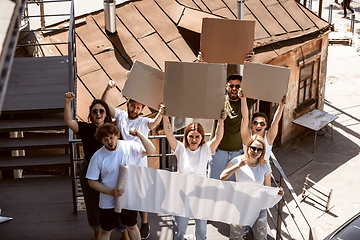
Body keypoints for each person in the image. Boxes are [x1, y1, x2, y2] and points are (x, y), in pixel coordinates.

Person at [101, 80, 164, 239]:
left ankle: (144, 222)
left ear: (142, 108)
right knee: (123, 193)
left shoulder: (143, 121)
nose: (135, 109)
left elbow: (154, 123)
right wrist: (108, 88)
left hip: (140, 164)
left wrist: (161, 113)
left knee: (141, 196)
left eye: (138, 107)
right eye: (133, 105)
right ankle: (126, 224)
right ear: (127, 104)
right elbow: (104, 105)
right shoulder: (121, 116)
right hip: (122, 163)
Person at [64, 92, 129, 240]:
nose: (98, 113)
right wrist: (67, 102)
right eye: (95, 111)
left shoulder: (113, 128)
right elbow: (69, 121)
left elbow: (124, 146)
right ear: (91, 115)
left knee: (118, 200)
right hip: (90, 170)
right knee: (93, 204)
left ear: (106, 113)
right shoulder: (85, 129)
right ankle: (97, 231)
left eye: (101, 110)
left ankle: (123, 231)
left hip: (112, 170)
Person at [162, 106, 226, 240]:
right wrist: (164, 115)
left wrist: (221, 121)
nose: (194, 139)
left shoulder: (206, 149)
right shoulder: (180, 149)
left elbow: (218, 137)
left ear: (202, 137)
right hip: (181, 197)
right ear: (186, 136)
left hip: (201, 197)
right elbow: (169, 134)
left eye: (197, 136)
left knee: (202, 232)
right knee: (179, 231)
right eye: (191, 136)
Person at [86, 123, 156, 240]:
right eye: (106, 139)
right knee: (105, 230)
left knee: (132, 226)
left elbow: (151, 151)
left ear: (117, 135)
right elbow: (91, 181)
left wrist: (139, 134)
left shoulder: (130, 146)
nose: (110, 142)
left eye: (111, 137)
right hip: (108, 200)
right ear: (101, 141)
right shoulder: (97, 156)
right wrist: (110, 192)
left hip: (129, 197)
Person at [220, 135, 284, 240]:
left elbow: (267, 188)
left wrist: (277, 193)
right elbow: (222, 177)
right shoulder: (238, 160)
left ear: (263, 151)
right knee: (236, 237)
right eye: (253, 148)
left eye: (259, 149)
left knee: (261, 237)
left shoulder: (265, 166)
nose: (255, 151)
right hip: (239, 205)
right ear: (248, 147)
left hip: (258, 206)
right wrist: (238, 166)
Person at [208, 74, 255, 181]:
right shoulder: (218, 100)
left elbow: (257, 83)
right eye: (231, 86)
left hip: (238, 154)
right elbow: (206, 85)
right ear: (226, 86)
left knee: (233, 189)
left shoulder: (246, 102)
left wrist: (252, 61)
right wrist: (200, 62)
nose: (234, 89)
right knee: (214, 185)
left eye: (237, 86)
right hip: (218, 152)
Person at [240, 90, 287, 161]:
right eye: (255, 123)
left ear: (266, 125)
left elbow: (275, 122)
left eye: (262, 124)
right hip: (248, 170)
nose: (258, 126)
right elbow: (245, 118)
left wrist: (281, 106)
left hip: (263, 171)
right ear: (251, 124)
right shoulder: (247, 135)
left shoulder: (268, 137)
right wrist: (243, 99)